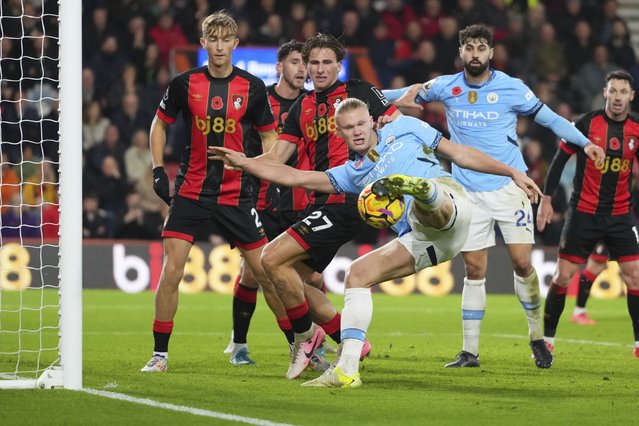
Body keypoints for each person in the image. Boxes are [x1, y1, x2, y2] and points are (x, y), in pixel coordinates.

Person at [211, 97, 542, 387]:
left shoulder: (407, 127)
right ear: (339, 133)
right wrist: (245, 163)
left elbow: (459, 154)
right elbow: (296, 176)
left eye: (360, 124)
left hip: (452, 205)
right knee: (357, 274)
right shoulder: (352, 173)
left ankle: (421, 190)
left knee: (432, 204)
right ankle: (347, 369)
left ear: (372, 120)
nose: (356, 131)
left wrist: (510, 172)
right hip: (426, 241)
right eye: (348, 128)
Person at [383, 24, 605, 368]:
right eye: (469, 47)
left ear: (491, 53)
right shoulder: (446, 86)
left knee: (521, 262)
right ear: (461, 53)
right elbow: (399, 93)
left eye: (481, 47)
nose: (475, 53)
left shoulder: (512, 88)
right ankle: (470, 351)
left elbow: (551, 120)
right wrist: (353, 95)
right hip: (467, 192)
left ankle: (537, 339)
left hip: (508, 187)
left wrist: (585, 142)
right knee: (474, 269)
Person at [211, 34, 399, 380]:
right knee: (295, 280)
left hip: (350, 200)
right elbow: (277, 157)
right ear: (307, 66)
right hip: (320, 203)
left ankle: (304, 341)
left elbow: (397, 124)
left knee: (270, 258)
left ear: (338, 66)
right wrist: (245, 162)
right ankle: (347, 339)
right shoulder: (303, 107)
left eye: (327, 62)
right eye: (314, 62)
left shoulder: (359, 90)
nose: (320, 68)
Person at [141, 11, 286, 373]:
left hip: (237, 194)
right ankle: (160, 354)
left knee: (267, 274)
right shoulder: (183, 83)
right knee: (171, 271)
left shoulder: (252, 87)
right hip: (191, 190)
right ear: (203, 43)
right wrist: (158, 168)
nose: (219, 46)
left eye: (226, 39)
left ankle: (300, 346)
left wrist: (266, 171)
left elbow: (271, 135)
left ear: (236, 44)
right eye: (213, 39)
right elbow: (159, 125)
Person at [222, 40, 333, 366]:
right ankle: (242, 344)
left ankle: (319, 338)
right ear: (279, 67)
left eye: (305, 63)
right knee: (255, 274)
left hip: (303, 200)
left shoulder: (314, 104)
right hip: (260, 200)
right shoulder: (261, 101)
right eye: (296, 62)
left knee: (312, 278)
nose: (302, 69)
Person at [537, 70, 639, 358]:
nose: (618, 97)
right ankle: (546, 341)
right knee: (562, 277)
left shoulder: (636, 130)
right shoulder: (586, 124)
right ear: (604, 93)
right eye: (613, 91)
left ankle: (638, 345)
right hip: (583, 213)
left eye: (623, 92)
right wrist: (547, 199)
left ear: (631, 96)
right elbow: (558, 162)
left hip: (620, 216)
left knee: (635, 277)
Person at [571, 244, 608, 325]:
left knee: (633, 269)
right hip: (607, 234)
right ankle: (579, 312)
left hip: (628, 233)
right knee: (595, 267)